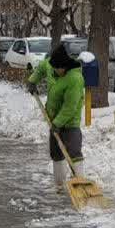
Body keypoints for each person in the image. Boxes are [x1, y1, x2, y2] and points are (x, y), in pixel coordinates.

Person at [30, 44, 85, 189]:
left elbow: (70, 107)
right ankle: (59, 185)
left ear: (64, 66)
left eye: (57, 68)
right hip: (53, 120)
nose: (54, 70)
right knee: (56, 153)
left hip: (69, 123)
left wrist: (58, 123)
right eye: (53, 68)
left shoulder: (74, 79)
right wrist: (32, 80)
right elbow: (43, 67)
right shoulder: (52, 65)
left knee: (73, 152)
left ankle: (79, 184)